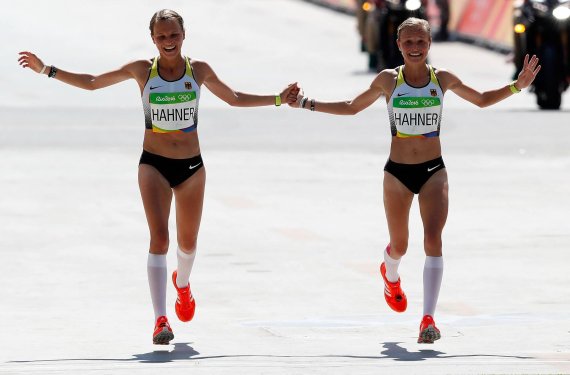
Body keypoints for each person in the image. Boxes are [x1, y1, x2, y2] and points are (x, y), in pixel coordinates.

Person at [18, 9, 299, 345]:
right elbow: (93, 82)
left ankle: (183, 284)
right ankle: (160, 319)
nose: (168, 42)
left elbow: (235, 98)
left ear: (183, 36)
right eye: (162, 36)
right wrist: (46, 69)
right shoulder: (141, 71)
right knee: (160, 240)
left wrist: (280, 99)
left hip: (192, 168)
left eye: (174, 35)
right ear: (152, 39)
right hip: (153, 164)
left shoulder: (199, 70)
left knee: (188, 244)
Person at [291, 17, 540, 344]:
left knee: (433, 240)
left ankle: (428, 319)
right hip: (397, 174)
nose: (415, 48)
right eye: (408, 42)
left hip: (433, 171)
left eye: (421, 42)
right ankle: (390, 275)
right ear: (398, 45)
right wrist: (306, 103)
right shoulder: (388, 81)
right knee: (400, 246)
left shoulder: (443, 79)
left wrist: (517, 86)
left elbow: (480, 99)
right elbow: (352, 107)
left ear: (429, 44)